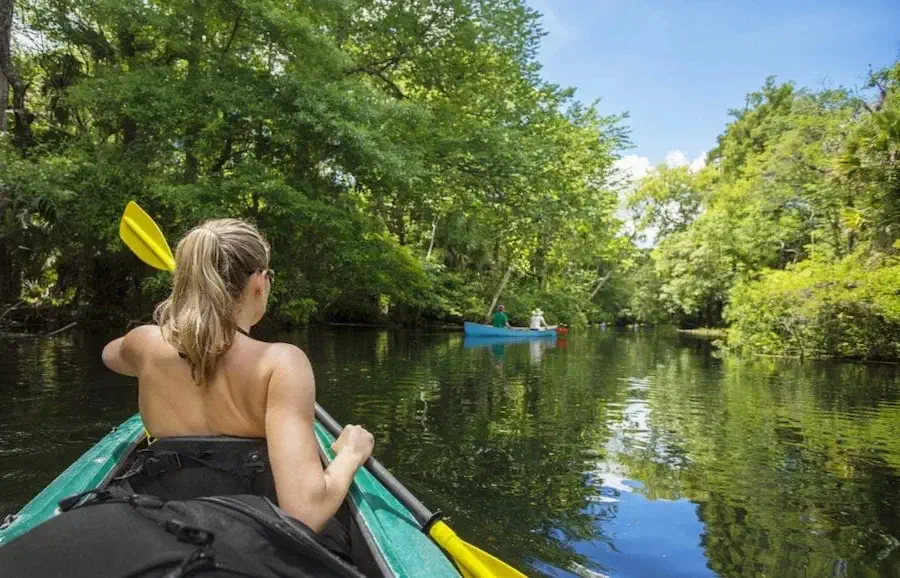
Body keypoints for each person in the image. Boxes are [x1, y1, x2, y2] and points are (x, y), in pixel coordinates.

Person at [101, 218, 374, 535]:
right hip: (251, 537)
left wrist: (174, 330)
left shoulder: (145, 344)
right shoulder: (281, 364)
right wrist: (352, 454)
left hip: (164, 526)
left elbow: (111, 356)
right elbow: (306, 513)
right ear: (259, 282)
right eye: (269, 275)